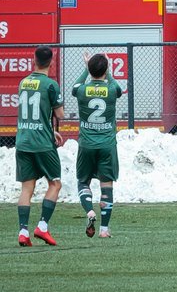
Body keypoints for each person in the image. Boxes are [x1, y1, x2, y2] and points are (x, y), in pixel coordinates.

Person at [15, 46, 65, 246]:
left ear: (33, 59)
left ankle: (23, 231)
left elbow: (31, 113)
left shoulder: (23, 82)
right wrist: (50, 128)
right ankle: (42, 227)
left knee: (27, 188)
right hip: (42, 144)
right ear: (51, 63)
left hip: (23, 141)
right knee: (55, 183)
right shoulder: (51, 85)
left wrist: (48, 128)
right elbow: (60, 115)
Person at [73, 52, 123, 238]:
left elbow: (74, 87)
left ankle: (89, 211)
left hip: (86, 144)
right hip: (107, 145)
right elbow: (118, 88)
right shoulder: (111, 90)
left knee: (83, 181)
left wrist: (86, 69)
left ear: (90, 70)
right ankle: (104, 229)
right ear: (106, 70)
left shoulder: (81, 90)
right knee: (106, 185)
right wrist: (107, 72)